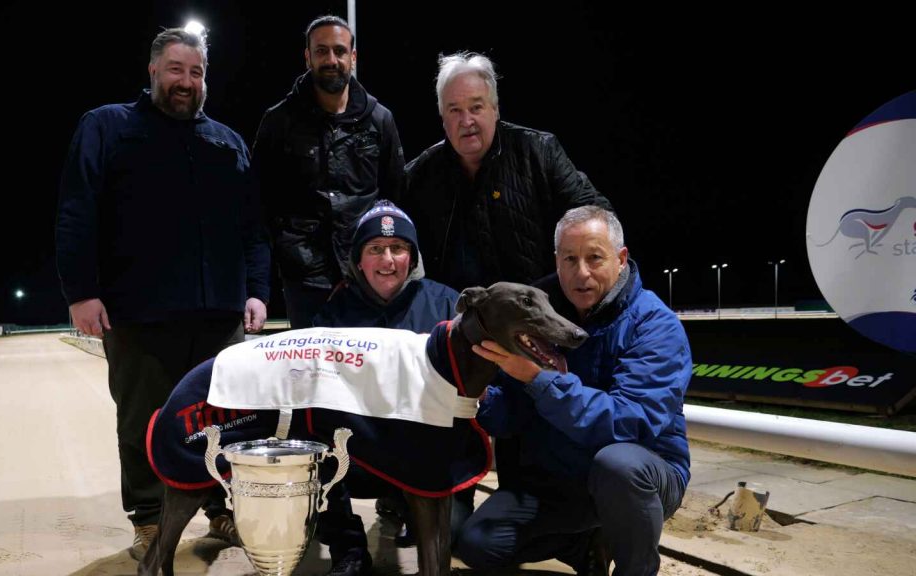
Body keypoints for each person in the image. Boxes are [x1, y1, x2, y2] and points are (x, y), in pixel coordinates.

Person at [55, 26, 270, 559]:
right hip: (138, 312)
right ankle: (149, 519)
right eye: (176, 70)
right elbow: (77, 213)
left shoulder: (227, 141)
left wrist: (257, 291)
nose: (186, 81)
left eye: (196, 73)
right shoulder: (108, 127)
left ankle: (220, 511)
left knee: (226, 419)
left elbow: (252, 228)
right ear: (153, 71)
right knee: (144, 421)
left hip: (219, 310)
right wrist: (82, 292)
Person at [457, 206, 691, 576]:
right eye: (569, 259)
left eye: (595, 257)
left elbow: (630, 423)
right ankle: (586, 545)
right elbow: (509, 418)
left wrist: (538, 380)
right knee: (477, 543)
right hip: (560, 481)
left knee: (618, 466)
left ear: (621, 258)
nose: (580, 273)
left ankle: (637, 568)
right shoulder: (536, 310)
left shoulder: (655, 325)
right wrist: (481, 396)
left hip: (641, 473)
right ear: (557, 260)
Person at [311, 201, 460, 575]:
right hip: (357, 448)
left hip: (427, 448)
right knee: (310, 444)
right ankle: (349, 549)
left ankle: (408, 508)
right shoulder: (335, 309)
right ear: (358, 260)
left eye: (399, 248)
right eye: (375, 249)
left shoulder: (446, 302)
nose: (388, 259)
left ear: (413, 257)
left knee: (456, 531)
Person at [402, 51, 612, 292]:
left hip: (539, 309)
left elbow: (599, 217)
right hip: (459, 316)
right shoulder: (419, 176)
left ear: (496, 109)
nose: (466, 120)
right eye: (454, 110)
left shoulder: (540, 152)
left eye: (476, 107)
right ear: (442, 118)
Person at [253, 15, 405, 328]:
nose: (331, 60)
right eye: (321, 51)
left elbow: (395, 198)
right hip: (304, 280)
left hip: (366, 274)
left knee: (367, 370)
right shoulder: (278, 122)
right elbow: (259, 204)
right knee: (311, 373)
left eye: (339, 51)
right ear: (307, 57)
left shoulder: (380, 120)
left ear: (353, 56)